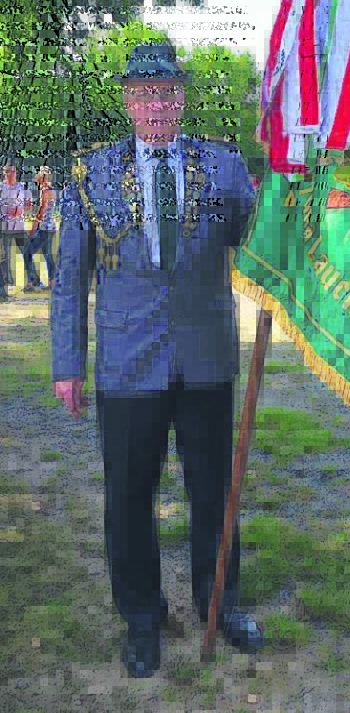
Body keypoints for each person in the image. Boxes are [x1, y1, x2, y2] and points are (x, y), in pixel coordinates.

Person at [50, 43, 263, 678]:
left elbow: (257, 240)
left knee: (214, 493)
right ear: (128, 100)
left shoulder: (225, 166)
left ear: (182, 95)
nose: (156, 104)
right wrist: (69, 363)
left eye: (166, 91)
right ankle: (142, 619)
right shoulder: (90, 175)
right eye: (144, 93)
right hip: (126, 362)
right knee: (129, 496)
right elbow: (69, 278)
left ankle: (218, 604)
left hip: (204, 358)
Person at [23, 166, 57, 292]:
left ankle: (30, 283)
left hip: (44, 228)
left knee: (27, 253)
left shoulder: (46, 191)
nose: (36, 176)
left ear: (43, 178)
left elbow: (41, 212)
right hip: (50, 227)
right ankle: (51, 282)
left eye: (39, 175)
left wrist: (33, 228)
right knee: (48, 255)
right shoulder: (51, 190)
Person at [0, 161, 33, 290]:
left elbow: (29, 206)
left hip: (19, 227)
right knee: (4, 257)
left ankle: (30, 282)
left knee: (27, 252)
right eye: (7, 171)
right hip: (4, 228)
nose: (10, 174)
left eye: (12, 171)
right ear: (3, 172)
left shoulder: (23, 188)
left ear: (16, 173)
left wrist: (20, 211)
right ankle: (7, 283)